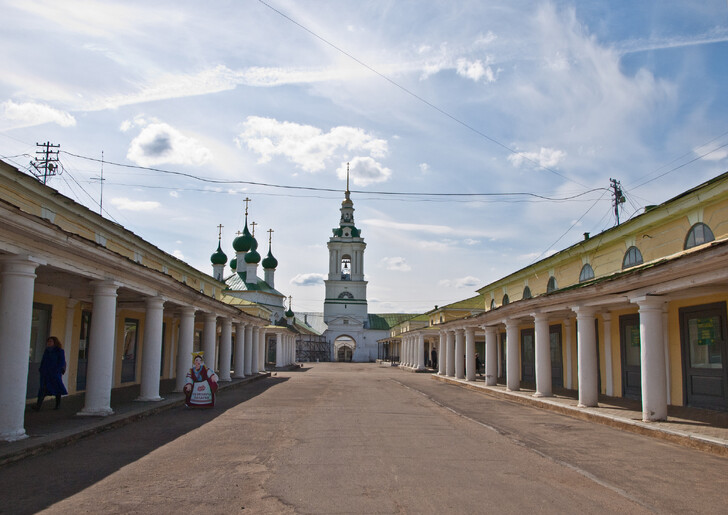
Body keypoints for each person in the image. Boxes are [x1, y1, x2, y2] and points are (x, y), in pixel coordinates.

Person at [33, 336, 67, 411]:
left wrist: (56, 371)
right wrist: (41, 369)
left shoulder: (60, 351)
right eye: (48, 341)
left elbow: (61, 362)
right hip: (45, 373)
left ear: (55, 342)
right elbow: (43, 361)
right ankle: (38, 406)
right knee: (42, 389)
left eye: (50, 341)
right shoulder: (46, 351)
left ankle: (57, 405)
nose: (49, 343)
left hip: (55, 373)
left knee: (57, 388)